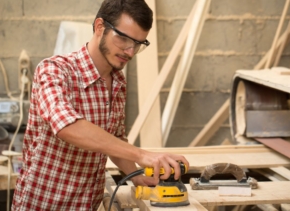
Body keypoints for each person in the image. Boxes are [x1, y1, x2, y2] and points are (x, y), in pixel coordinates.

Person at [12, 0, 189, 210]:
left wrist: (135, 175)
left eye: (138, 44)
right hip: (45, 204)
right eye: (123, 38)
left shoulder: (118, 83)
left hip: (87, 205)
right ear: (99, 27)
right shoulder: (54, 71)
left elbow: (114, 141)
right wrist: (143, 155)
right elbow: (67, 126)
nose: (130, 52)